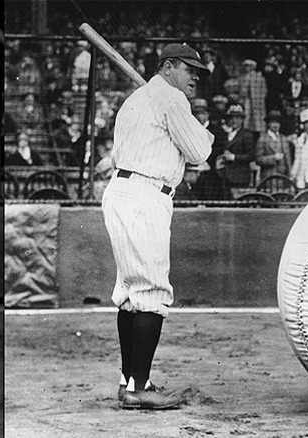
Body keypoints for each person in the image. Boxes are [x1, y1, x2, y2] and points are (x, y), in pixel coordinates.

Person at [101, 43, 213, 410]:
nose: (196, 76)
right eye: (189, 69)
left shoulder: (136, 98)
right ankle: (139, 388)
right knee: (150, 291)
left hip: (121, 190)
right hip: (146, 194)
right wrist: (206, 135)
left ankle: (128, 380)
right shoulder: (171, 99)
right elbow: (199, 153)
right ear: (167, 67)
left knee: (131, 291)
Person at [219, 104, 256, 189]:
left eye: (237, 118)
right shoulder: (225, 135)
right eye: (231, 118)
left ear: (242, 120)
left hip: (240, 177)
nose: (234, 121)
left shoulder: (246, 135)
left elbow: (251, 156)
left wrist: (234, 157)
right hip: (226, 176)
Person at [255, 110, 293, 180]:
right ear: (268, 124)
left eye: (277, 122)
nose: (275, 125)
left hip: (282, 176)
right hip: (268, 176)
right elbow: (258, 159)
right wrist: (273, 158)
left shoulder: (284, 138)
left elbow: (288, 159)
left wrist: (290, 175)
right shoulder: (262, 139)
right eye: (273, 122)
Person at [237, 59, 268, 140]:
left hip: (254, 102)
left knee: (254, 121)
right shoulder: (244, 77)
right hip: (248, 101)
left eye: (248, 66)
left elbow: (263, 91)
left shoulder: (256, 77)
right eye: (246, 66)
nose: (247, 68)